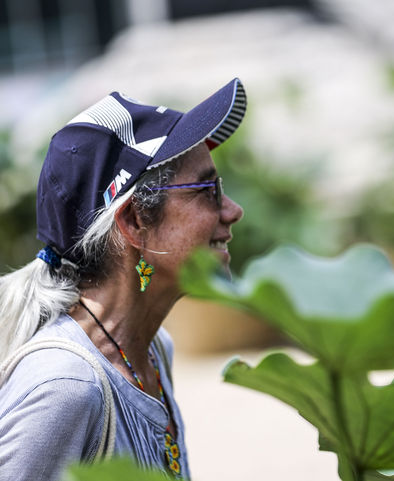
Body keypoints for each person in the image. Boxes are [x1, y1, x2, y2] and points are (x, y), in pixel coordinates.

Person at [0, 78, 247, 480]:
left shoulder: (152, 352)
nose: (233, 211)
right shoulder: (66, 386)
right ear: (134, 221)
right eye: (209, 190)